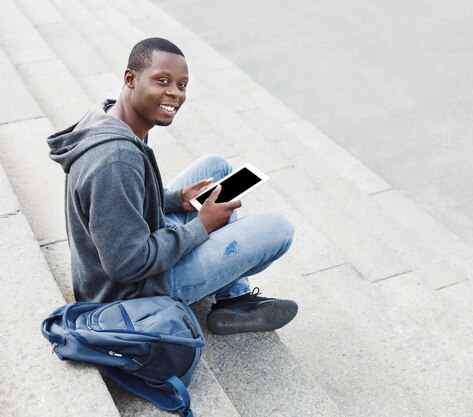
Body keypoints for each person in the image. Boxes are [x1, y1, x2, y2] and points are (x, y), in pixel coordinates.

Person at [47, 37, 297, 335]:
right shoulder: (116, 160)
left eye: (181, 85)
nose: (174, 94)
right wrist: (201, 226)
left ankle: (233, 299)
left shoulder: (110, 117)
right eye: (162, 81)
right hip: (127, 294)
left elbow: (121, 201)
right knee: (278, 227)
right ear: (130, 78)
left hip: (131, 248)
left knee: (215, 166)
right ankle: (234, 298)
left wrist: (177, 199)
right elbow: (126, 264)